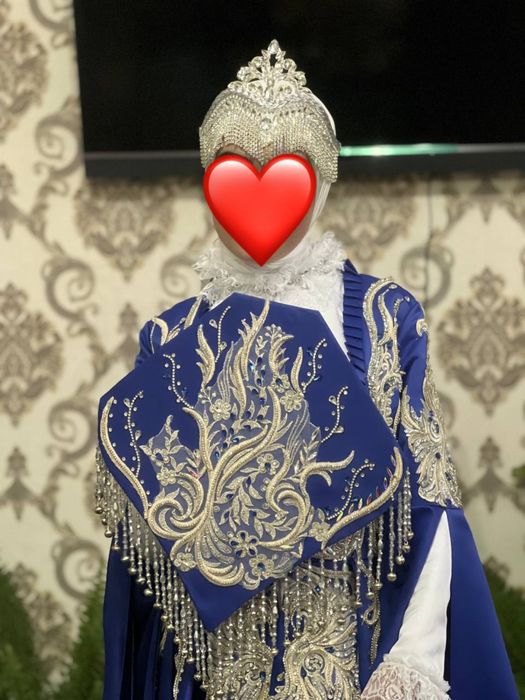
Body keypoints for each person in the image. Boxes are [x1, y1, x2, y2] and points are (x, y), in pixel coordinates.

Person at [96, 40, 519, 699]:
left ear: (319, 185)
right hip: (208, 668)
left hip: (351, 657)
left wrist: (411, 660)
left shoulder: (383, 320)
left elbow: (430, 500)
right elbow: (157, 530)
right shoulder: (171, 336)